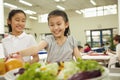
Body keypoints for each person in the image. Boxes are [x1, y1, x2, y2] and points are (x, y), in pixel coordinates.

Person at [11, 9, 81, 63]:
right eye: (52, 25)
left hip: (69, 74)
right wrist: (20, 53)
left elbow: (79, 59)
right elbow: (35, 48)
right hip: (53, 73)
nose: (55, 28)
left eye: (59, 24)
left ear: (66, 24)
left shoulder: (71, 39)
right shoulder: (48, 39)